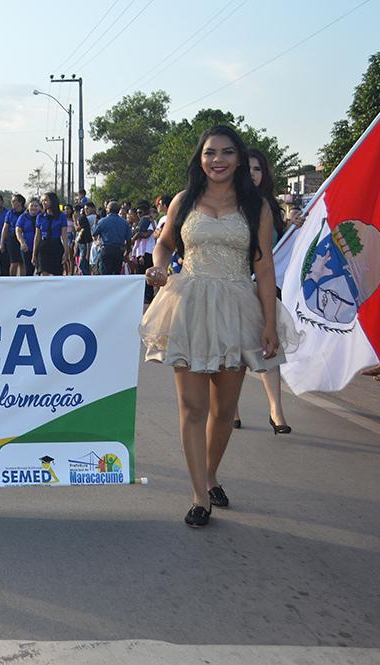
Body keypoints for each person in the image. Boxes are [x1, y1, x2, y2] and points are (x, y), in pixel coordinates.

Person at [140, 125, 299, 528]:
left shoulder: (255, 207)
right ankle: (198, 496)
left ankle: (210, 476)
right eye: (211, 153)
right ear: (200, 158)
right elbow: (164, 243)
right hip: (189, 305)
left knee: (223, 409)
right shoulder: (184, 200)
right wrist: (158, 265)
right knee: (192, 408)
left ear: (238, 159)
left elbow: (263, 267)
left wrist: (269, 322)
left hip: (236, 307)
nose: (218, 160)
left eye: (227, 152)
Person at [234, 149, 296, 431]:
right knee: (232, 352)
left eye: (258, 169)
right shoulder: (227, 205)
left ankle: (276, 411)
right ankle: (230, 410)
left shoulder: (269, 207)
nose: (253, 174)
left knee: (269, 349)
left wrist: (293, 228)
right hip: (234, 289)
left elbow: (278, 253)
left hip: (264, 291)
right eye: (247, 169)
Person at [32, 192, 68, 276]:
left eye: (46, 200)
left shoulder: (61, 216)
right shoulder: (40, 217)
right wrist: (34, 254)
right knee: (43, 273)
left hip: (56, 245)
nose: (43, 202)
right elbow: (37, 236)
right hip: (44, 246)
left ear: (52, 201)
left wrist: (66, 251)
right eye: (43, 200)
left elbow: (64, 236)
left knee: (57, 274)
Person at [92, 201, 130, 275]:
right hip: (119, 251)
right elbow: (128, 240)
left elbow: (94, 233)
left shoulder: (103, 221)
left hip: (106, 250)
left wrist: (97, 242)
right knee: (116, 274)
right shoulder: (125, 222)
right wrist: (127, 252)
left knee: (105, 274)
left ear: (108, 210)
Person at [132, 201, 156, 301]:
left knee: (147, 275)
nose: (139, 214)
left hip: (147, 252)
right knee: (141, 275)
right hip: (140, 251)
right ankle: (142, 296)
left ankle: (148, 297)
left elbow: (147, 235)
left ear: (146, 212)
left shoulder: (149, 221)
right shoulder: (141, 222)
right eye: (137, 213)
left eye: (140, 212)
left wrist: (136, 236)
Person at [1, 194, 26, 276]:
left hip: (24, 237)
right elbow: (5, 228)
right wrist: (2, 242)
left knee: (23, 262)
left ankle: (23, 282)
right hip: (12, 238)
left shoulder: (26, 212)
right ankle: (13, 281)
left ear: (20, 202)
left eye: (14, 201)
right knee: (14, 262)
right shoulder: (10, 213)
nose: (12, 203)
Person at [15, 198, 39, 277]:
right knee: (28, 271)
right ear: (28, 207)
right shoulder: (23, 217)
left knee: (41, 270)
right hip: (27, 247)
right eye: (31, 206)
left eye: (36, 206)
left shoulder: (42, 217)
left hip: (40, 247)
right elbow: (18, 231)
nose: (33, 208)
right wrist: (22, 242)